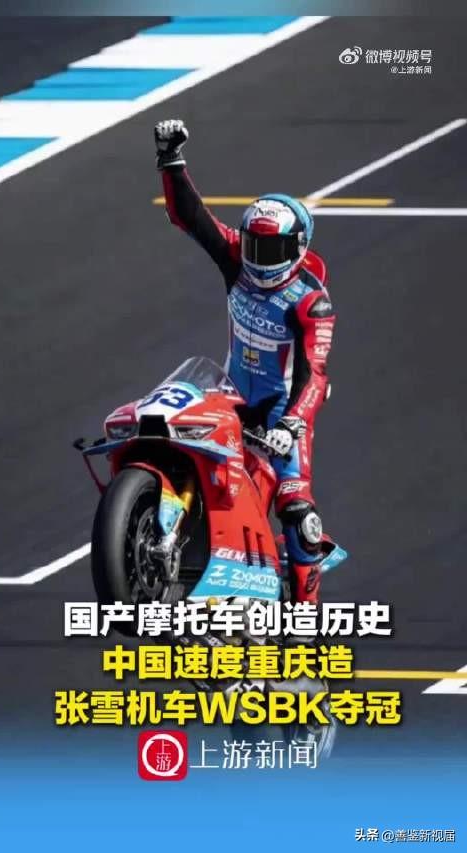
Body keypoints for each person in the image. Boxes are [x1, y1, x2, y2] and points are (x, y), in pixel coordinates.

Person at [154, 119, 336, 605]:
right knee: (208, 476)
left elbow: (314, 376)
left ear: (297, 249)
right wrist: (171, 161)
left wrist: (292, 426)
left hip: (281, 416)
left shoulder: (311, 302)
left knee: (297, 511)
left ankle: (305, 617)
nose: (260, 257)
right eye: (254, 245)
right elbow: (191, 218)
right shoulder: (236, 259)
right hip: (231, 396)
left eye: (272, 249)